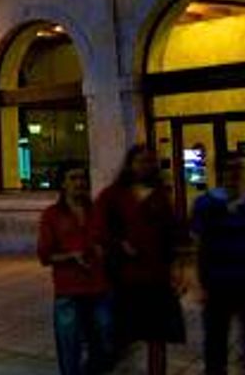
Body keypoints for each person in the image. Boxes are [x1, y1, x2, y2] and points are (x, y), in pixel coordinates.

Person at [91, 145, 186, 375]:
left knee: (157, 337)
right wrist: (118, 243)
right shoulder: (113, 195)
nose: (145, 165)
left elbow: (171, 235)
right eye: (140, 161)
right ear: (130, 164)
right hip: (125, 279)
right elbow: (98, 230)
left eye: (149, 161)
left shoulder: (160, 195)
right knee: (121, 337)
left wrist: (177, 269)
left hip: (157, 278)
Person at [39, 164, 114, 375]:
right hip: (69, 291)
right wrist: (71, 256)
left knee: (105, 340)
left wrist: (104, 250)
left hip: (99, 288)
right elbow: (45, 256)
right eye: (73, 178)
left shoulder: (97, 212)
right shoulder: (52, 215)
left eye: (82, 178)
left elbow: (109, 241)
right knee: (69, 348)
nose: (79, 183)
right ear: (63, 183)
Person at [190, 152, 245, 375]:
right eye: (229, 168)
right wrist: (198, 281)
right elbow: (198, 244)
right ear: (220, 172)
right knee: (215, 337)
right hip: (216, 279)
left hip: (243, 277)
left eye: (238, 168)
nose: (234, 173)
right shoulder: (206, 204)